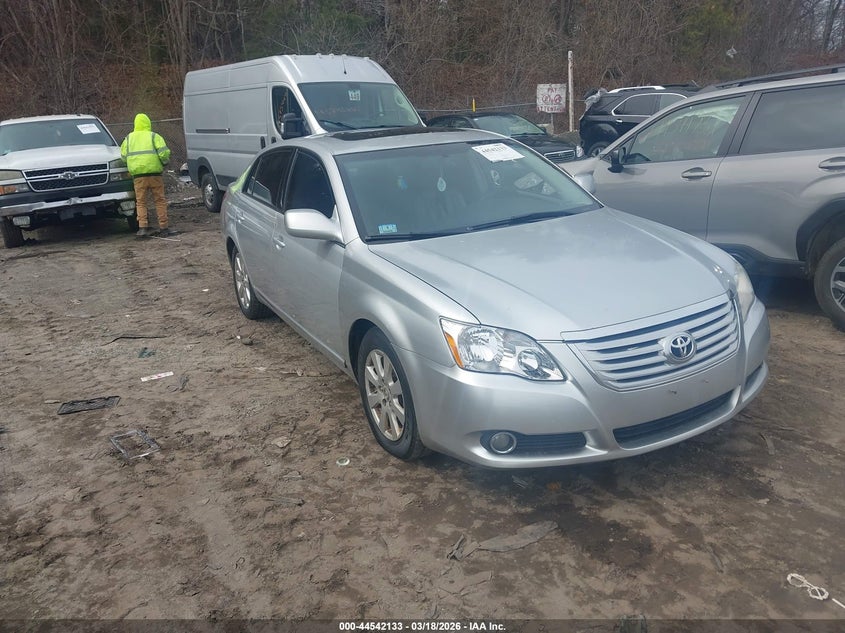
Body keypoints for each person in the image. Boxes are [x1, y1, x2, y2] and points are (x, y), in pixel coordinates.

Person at [120, 113, 174, 237]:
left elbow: (123, 156)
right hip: (155, 174)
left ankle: (142, 227)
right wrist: (164, 163)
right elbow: (164, 154)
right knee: (160, 200)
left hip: (138, 176)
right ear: (148, 123)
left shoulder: (128, 138)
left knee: (141, 202)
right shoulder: (154, 136)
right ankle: (164, 227)